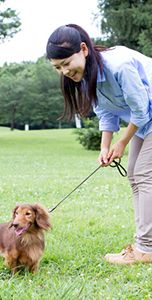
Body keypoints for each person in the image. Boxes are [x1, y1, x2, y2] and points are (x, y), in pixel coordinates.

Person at [46, 24, 152, 264]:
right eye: (57, 67)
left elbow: (141, 109)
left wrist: (122, 142)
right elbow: (106, 112)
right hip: (145, 120)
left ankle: (146, 249)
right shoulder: (87, 76)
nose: (64, 71)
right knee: (135, 176)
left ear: (83, 49)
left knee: (145, 174)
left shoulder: (119, 65)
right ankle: (144, 244)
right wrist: (105, 147)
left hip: (146, 115)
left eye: (66, 63)